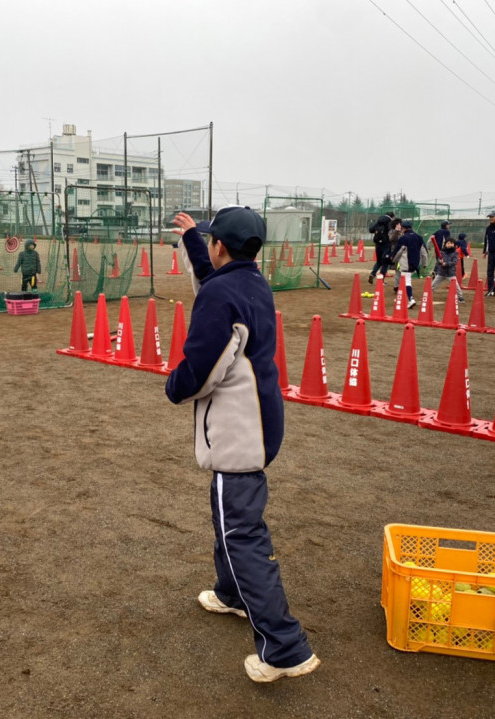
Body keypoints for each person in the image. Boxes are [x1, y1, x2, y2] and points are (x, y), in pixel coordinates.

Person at [166, 207, 319, 683]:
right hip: (258, 419)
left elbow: (202, 369)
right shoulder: (251, 281)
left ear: (220, 246)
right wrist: (193, 239)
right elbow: (214, 281)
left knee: (241, 533)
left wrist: (174, 385)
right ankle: (231, 593)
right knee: (230, 517)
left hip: (240, 430)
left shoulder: (222, 294)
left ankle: (285, 648)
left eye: (210, 240)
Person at [389, 219, 425, 309]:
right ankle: (401, 298)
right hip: (416, 263)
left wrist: (392, 259)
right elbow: (424, 251)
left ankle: (411, 299)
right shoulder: (419, 237)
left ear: (403, 228)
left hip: (406, 264)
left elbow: (399, 251)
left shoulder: (404, 238)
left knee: (406, 281)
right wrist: (425, 263)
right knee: (403, 280)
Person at [430, 236, 465, 302]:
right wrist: (439, 263)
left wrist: (446, 264)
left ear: (454, 245)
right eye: (448, 243)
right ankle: (428, 295)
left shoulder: (455, 253)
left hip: (450, 273)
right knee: (433, 285)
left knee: (456, 286)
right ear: (445, 244)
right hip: (441, 273)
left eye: (451, 243)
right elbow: (438, 261)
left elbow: (454, 262)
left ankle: (460, 297)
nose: (450, 245)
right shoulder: (442, 252)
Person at [367, 211, 394, 284]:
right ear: (392, 217)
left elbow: (371, 230)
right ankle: (381, 280)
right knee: (385, 262)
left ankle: (373, 273)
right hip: (386, 245)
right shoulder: (390, 222)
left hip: (378, 244)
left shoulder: (379, 221)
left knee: (379, 261)